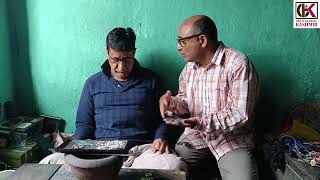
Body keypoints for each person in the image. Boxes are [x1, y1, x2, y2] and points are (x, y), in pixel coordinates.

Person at [40, 27, 186, 171]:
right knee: (49, 163)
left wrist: (161, 137)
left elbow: (165, 119)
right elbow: (84, 125)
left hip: (140, 152)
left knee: (174, 166)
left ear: (134, 52)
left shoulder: (151, 80)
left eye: (127, 59)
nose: (121, 67)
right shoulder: (93, 83)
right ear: (107, 52)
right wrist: (77, 147)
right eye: (115, 59)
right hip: (100, 152)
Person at [159, 15, 260, 180]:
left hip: (231, 139)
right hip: (196, 137)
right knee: (168, 172)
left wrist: (200, 122)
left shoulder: (238, 63)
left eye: (182, 41)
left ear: (202, 40)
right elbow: (186, 101)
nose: (178, 47)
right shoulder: (188, 69)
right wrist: (172, 103)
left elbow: (240, 114)